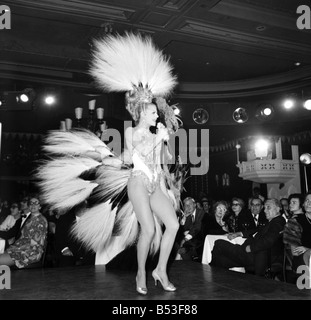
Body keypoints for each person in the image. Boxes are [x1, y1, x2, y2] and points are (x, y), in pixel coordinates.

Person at [37, 33, 183, 295]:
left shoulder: (156, 134)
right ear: (141, 112)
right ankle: (140, 272)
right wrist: (157, 138)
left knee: (173, 225)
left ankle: (160, 270)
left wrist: (166, 145)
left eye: (156, 112)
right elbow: (134, 153)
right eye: (152, 111)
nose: (156, 113)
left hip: (156, 184)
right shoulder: (132, 132)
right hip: (137, 183)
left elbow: (164, 162)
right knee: (148, 230)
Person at [211, 198, 286, 276]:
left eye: (268, 207)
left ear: (278, 209)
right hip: (252, 254)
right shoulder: (273, 222)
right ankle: (217, 278)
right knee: (221, 260)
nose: (265, 210)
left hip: (253, 255)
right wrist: (239, 233)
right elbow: (256, 230)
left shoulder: (278, 222)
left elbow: (268, 241)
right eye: (265, 208)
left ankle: (212, 276)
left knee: (219, 243)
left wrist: (250, 248)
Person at [0, 196, 48, 268]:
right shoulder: (30, 218)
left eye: (36, 203)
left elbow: (35, 243)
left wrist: (16, 248)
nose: (33, 205)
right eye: (31, 203)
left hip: (30, 252)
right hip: (20, 248)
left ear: (40, 206)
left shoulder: (41, 220)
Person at [283, 193, 311, 271]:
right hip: (304, 261)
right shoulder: (295, 221)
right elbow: (295, 252)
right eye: (307, 200)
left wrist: (308, 249)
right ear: (303, 204)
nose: (309, 203)